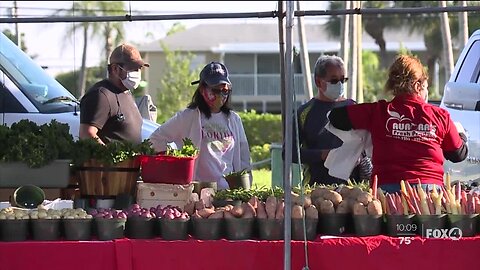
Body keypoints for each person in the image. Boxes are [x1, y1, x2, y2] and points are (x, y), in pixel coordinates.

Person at [328, 54, 468, 193]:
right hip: (431, 194)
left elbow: (336, 117)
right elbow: (458, 155)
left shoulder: (378, 112)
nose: (427, 93)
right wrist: (461, 134)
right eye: (426, 87)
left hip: (387, 192)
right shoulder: (439, 116)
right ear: (418, 86)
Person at [148, 62, 252, 190]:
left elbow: (244, 158)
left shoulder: (234, 119)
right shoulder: (187, 117)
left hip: (228, 193)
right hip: (197, 193)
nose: (220, 95)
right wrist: (176, 159)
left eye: (225, 91)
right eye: (215, 90)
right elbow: (155, 139)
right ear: (203, 90)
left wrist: (246, 189)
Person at [289, 55, 371, 186]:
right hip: (316, 189)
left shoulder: (354, 108)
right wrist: (323, 155)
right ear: (318, 82)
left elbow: (368, 144)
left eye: (343, 80)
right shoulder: (304, 113)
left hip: (354, 189)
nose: (339, 85)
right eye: (334, 81)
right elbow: (288, 153)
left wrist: (359, 157)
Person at [79, 43, 149, 145]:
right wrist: (110, 158)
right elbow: (86, 134)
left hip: (133, 161)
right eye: (132, 68)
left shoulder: (126, 93)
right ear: (115, 69)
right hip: (109, 161)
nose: (137, 72)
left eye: (139, 68)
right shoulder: (101, 95)